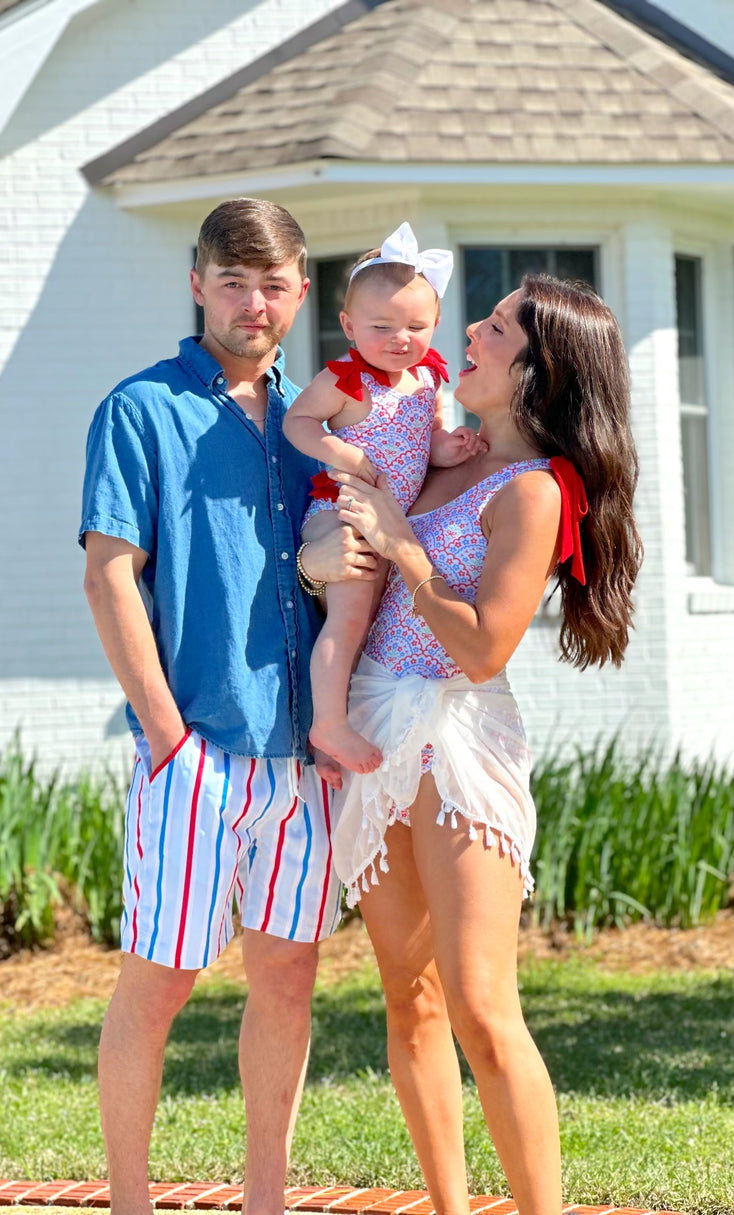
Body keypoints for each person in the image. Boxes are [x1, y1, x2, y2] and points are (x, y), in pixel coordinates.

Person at [79, 197, 374, 1215]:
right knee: (157, 985)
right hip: (196, 753)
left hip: (304, 761)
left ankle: (266, 1202)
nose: (255, 302)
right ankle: (127, 1202)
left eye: (275, 283)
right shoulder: (139, 409)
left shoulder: (320, 428)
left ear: (302, 292)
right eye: (234, 281)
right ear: (200, 284)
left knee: (288, 982)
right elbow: (111, 576)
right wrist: (169, 740)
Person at [329, 274, 643, 1215]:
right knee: (408, 996)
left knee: (478, 1002)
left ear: (538, 369)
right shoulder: (433, 456)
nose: (470, 328)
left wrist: (404, 545)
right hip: (378, 723)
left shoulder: (536, 490)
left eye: (497, 326)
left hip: (462, 736)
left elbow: (480, 647)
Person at [283, 221, 480, 777]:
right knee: (345, 623)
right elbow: (298, 423)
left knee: (367, 628)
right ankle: (329, 724)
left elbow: (427, 447)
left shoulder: (426, 380)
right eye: (382, 325)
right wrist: (341, 455)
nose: (400, 338)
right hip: (339, 513)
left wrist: (452, 447)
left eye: (416, 325)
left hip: (387, 521)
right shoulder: (346, 380)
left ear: (436, 323)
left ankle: (326, 743)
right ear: (348, 326)